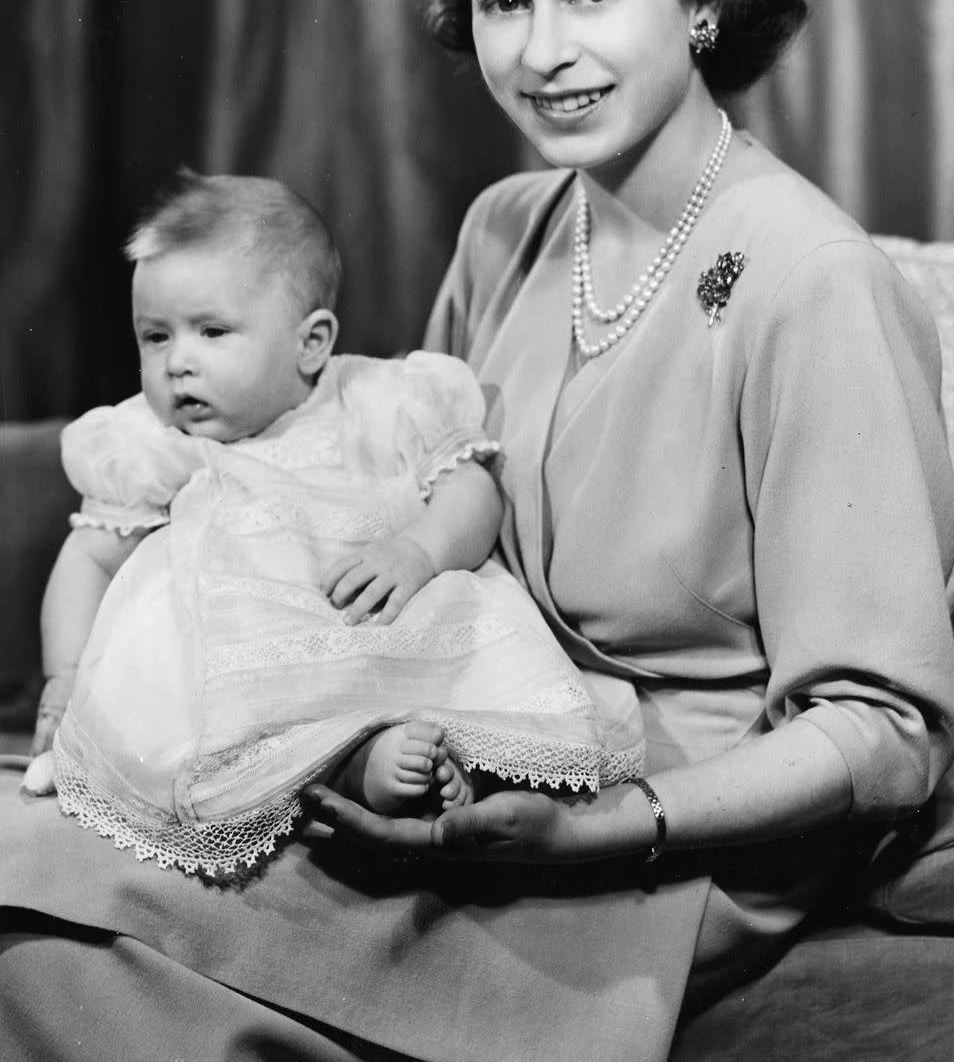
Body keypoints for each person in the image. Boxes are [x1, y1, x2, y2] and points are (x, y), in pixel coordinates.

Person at [0, 0, 954, 1061]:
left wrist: (607, 826)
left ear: (703, 0)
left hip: (664, 838)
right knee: (39, 871)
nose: (542, 50)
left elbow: (885, 737)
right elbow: (408, 495)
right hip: (440, 742)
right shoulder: (509, 224)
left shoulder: (813, 281)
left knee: (68, 950)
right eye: (506, 2)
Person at [23, 170, 644, 878]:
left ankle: (454, 767)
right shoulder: (155, 444)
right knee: (215, 738)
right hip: (241, 677)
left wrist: (419, 549)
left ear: (311, 342)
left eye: (212, 331)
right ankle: (365, 773)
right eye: (155, 337)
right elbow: (89, 558)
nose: (178, 363)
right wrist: (66, 676)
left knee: (464, 663)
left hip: (378, 630)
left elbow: (471, 489)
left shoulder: (378, 400)